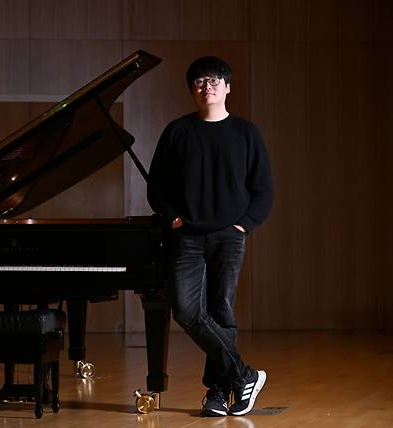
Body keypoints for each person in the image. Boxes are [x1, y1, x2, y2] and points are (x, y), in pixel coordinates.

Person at [147, 56, 273, 417]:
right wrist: (171, 218)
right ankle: (244, 375)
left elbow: (263, 188)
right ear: (192, 90)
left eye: (215, 80)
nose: (208, 86)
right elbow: (157, 185)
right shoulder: (177, 131)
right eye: (200, 81)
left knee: (221, 310)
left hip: (229, 236)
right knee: (186, 310)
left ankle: (218, 393)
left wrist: (243, 224)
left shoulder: (246, 133)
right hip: (187, 236)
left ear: (228, 87)